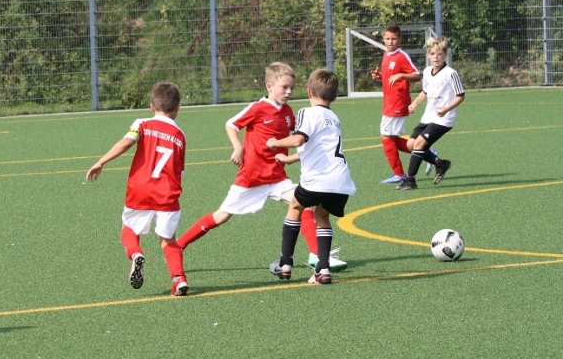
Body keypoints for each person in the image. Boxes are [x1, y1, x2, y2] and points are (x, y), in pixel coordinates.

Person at [175, 62, 346, 271]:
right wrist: (238, 147)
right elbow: (231, 124)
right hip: (251, 178)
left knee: (303, 205)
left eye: (292, 88)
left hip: (277, 178)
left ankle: (316, 254)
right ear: (269, 86)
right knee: (221, 216)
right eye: (284, 87)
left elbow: (301, 135)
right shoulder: (258, 108)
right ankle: (179, 245)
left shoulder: (288, 112)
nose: (289, 92)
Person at [85, 81, 189, 296]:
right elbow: (179, 170)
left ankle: (135, 253)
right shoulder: (180, 136)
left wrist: (101, 162)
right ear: (178, 107)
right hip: (167, 193)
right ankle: (179, 279)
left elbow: (126, 142)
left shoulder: (142, 124)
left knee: (129, 229)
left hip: (141, 189)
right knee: (168, 240)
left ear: (152, 106)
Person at [267, 69, 356, 284]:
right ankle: (323, 269)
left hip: (317, 180)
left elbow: (298, 140)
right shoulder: (334, 118)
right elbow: (319, 148)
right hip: (341, 182)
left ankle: (285, 264)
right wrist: (290, 159)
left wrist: (275, 142)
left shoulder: (307, 112)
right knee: (322, 216)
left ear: (309, 91)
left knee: (295, 206)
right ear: (335, 96)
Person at [395, 36, 463, 191]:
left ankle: (410, 181)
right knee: (411, 145)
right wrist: (414, 103)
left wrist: (446, 109)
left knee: (419, 145)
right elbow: (425, 91)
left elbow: (461, 96)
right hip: (428, 116)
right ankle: (440, 164)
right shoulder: (426, 72)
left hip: (444, 119)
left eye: (439, 54)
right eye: (432, 54)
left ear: (445, 54)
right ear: (428, 55)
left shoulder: (450, 73)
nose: (436, 57)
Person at [369, 25, 424, 183]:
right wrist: (380, 75)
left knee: (386, 138)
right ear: (383, 39)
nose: (390, 41)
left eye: (394, 39)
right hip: (389, 102)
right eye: (387, 38)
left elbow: (417, 75)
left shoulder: (401, 56)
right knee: (390, 138)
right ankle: (425, 151)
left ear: (399, 39)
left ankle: (399, 174)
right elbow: (391, 76)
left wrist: (401, 75)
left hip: (398, 102)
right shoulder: (386, 54)